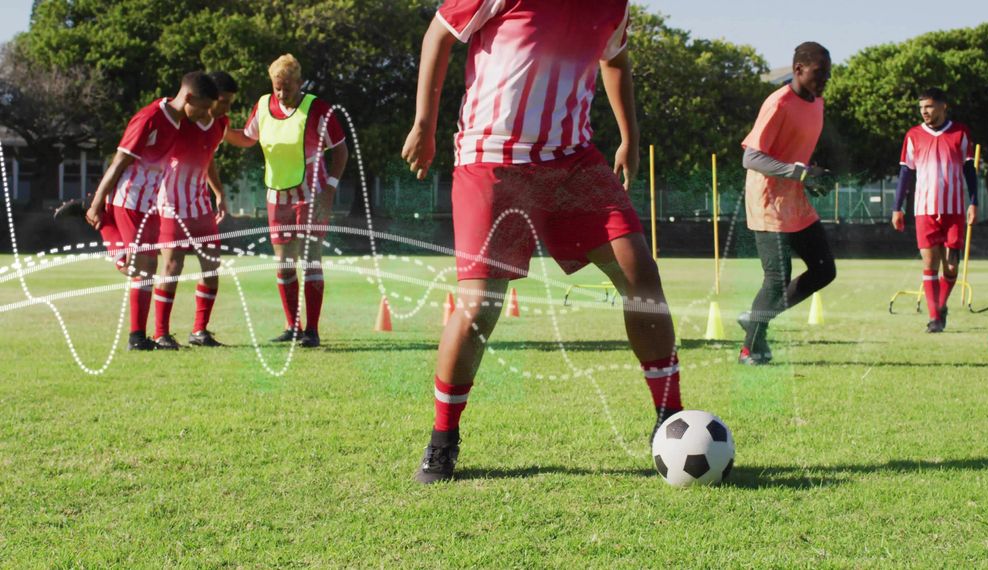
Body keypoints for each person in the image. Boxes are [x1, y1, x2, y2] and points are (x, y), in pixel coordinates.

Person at [401, 0, 683, 484]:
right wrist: (424, 123)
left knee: (640, 274)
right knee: (480, 307)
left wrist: (629, 137)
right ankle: (442, 441)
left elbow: (614, 58)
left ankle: (669, 419)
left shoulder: (612, 5)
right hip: (492, 158)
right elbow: (439, 35)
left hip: (572, 159)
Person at [74, 72, 218, 351]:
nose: (203, 115)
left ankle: (139, 337)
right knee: (143, 267)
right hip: (129, 201)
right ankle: (136, 338)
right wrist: (98, 202)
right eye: (202, 108)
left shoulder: (179, 122)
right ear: (188, 97)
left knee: (142, 267)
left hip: (150, 203)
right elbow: (119, 161)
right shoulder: (150, 117)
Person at [224, 54, 348, 348]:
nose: (281, 93)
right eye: (277, 87)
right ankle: (292, 325)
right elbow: (247, 137)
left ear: (299, 82)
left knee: (311, 260)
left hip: (312, 195)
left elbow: (341, 151)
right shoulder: (264, 105)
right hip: (276, 196)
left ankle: (312, 331)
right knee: (283, 263)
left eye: (287, 87)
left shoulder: (317, 108)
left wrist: (330, 190)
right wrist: (222, 131)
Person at [737, 42, 837, 365]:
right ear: (798, 70)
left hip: (795, 198)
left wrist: (815, 175)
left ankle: (755, 317)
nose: (824, 80)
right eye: (819, 73)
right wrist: (801, 174)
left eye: (828, 74)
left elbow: (797, 152)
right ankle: (750, 348)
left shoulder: (817, 102)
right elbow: (750, 157)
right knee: (777, 277)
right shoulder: (778, 103)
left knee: (824, 269)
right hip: (768, 201)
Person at [151, 71, 238, 349]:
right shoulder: (179, 121)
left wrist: (219, 192)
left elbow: (208, 156)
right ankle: (161, 333)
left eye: (229, 103)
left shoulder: (221, 123)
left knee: (212, 266)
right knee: (172, 266)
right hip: (171, 204)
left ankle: (200, 331)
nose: (225, 108)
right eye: (222, 101)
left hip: (200, 206)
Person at [891, 88, 978, 333]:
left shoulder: (960, 133)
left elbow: (969, 170)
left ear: (943, 106)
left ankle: (940, 306)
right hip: (924, 209)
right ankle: (934, 318)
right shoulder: (913, 135)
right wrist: (897, 207)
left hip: (954, 211)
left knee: (950, 267)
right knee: (929, 262)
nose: (925, 112)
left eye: (929, 106)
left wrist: (974, 201)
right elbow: (906, 172)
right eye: (921, 108)